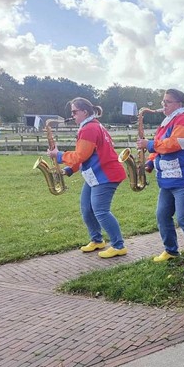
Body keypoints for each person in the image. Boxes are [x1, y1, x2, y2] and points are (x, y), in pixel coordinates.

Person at [137, 89, 184, 268]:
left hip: (183, 179)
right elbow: (160, 147)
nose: (163, 105)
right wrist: (150, 162)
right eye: (163, 101)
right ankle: (170, 250)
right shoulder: (166, 122)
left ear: (179, 104)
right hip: (166, 180)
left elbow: (174, 144)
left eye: (167, 102)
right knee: (162, 215)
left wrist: (150, 145)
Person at [47, 98, 127, 258]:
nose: (72, 115)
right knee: (86, 208)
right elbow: (88, 155)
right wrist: (69, 169)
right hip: (96, 175)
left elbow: (82, 154)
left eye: (74, 112)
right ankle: (97, 240)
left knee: (101, 211)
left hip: (105, 175)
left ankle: (119, 246)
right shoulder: (92, 126)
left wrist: (59, 155)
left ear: (85, 112)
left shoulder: (89, 129)